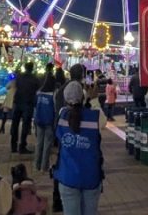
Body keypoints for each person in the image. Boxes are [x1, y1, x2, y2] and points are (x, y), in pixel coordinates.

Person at [54, 82, 104, 215]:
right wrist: (93, 99)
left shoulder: (62, 115)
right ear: (82, 97)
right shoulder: (96, 117)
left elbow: (70, 109)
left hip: (67, 176)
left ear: (65, 99)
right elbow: (103, 119)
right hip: (91, 176)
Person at [11, 62, 40, 154]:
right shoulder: (34, 78)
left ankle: (13, 146)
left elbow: (15, 84)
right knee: (25, 125)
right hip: (27, 103)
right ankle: (22, 146)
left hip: (18, 101)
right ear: (32, 68)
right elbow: (37, 88)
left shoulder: (19, 77)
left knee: (15, 124)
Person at [33, 71, 57, 172]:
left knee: (39, 143)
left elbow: (35, 106)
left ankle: (36, 165)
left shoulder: (39, 93)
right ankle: (44, 166)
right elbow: (55, 109)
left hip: (39, 120)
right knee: (47, 145)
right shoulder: (53, 94)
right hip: (48, 121)